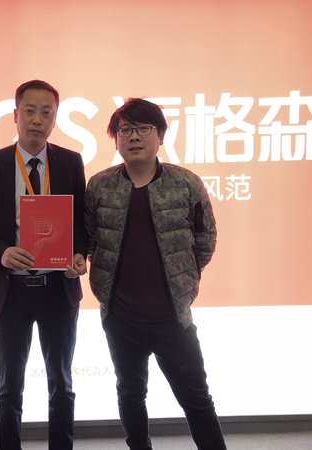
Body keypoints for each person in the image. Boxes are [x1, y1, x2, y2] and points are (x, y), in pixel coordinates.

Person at [84, 98, 226, 450]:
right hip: (120, 317)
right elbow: (88, 239)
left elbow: (205, 238)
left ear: (160, 136)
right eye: (125, 130)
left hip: (171, 317)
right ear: (115, 139)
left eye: (144, 128)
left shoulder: (186, 184)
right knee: (131, 395)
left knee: (197, 400)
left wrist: (184, 278)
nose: (134, 136)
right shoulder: (99, 186)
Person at [0, 80, 88, 450]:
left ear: (55, 119)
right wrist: (1, 252)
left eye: (46, 113)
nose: (37, 120)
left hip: (58, 291)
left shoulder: (70, 162)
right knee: (9, 386)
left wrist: (79, 255)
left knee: (61, 384)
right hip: (11, 292)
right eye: (30, 111)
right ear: (16, 115)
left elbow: (82, 222)